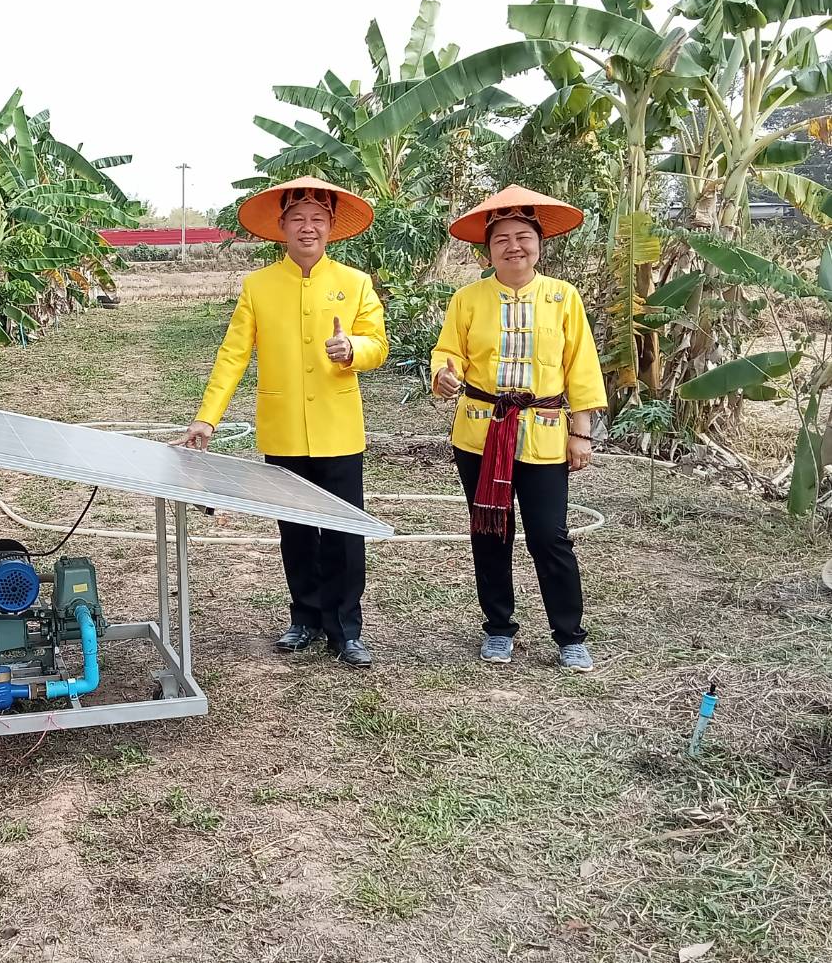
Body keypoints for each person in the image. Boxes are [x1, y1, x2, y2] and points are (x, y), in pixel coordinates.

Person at [175, 177, 387, 666]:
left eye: (318, 219)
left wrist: (353, 349)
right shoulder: (259, 285)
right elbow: (233, 355)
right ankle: (305, 618)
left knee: (343, 530)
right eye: (298, 219)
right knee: (294, 529)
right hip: (283, 427)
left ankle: (345, 628)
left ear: (332, 226)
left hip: (338, 430)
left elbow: (378, 343)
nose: (308, 228)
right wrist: (208, 418)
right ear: (282, 227)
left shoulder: (355, 284)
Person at [430, 184, 607, 673]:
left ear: (539, 243)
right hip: (480, 432)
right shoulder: (467, 299)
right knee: (491, 531)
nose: (514, 245)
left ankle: (569, 635)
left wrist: (581, 429)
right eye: (502, 237)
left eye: (523, 235)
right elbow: (448, 353)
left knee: (550, 535)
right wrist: (445, 373)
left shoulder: (562, 297)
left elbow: (581, 365)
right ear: (487, 250)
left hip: (545, 432)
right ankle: (498, 627)